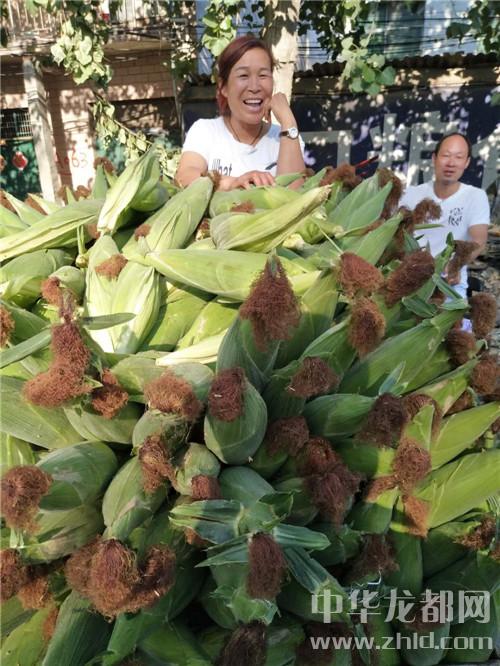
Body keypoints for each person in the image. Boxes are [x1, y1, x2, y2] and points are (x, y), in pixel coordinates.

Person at [175, 35, 305, 191]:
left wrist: (288, 120)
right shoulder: (206, 132)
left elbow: (295, 194)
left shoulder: (287, 137)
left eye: (263, 75)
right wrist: (233, 183)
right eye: (243, 75)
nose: (255, 87)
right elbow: (185, 177)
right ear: (224, 87)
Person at [400, 132, 489, 298]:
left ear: (467, 162)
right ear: (434, 158)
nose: (451, 163)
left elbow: (479, 240)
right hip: (409, 281)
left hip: (449, 286)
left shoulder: (475, 196)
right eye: (446, 155)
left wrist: (455, 265)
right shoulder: (411, 195)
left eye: (458, 157)